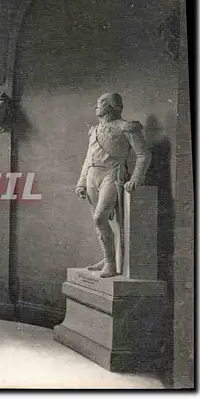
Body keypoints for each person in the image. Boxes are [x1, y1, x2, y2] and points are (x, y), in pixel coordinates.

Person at [75, 93, 152, 278]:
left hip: (112, 174)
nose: (96, 106)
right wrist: (81, 182)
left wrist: (135, 178)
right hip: (93, 175)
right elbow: (88, 158)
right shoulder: (93, 130)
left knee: (99, 219)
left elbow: (144, 155)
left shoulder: (126, 127)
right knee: (102, 222)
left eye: (101, 102)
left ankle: (110, 263)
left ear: (112, 106)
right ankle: (108, 256)